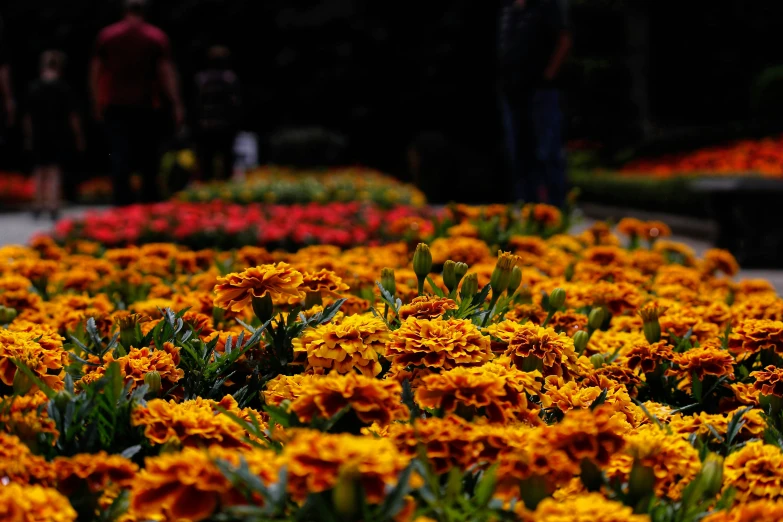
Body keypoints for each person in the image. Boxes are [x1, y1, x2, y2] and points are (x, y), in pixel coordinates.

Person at [90, 0, 184, 206]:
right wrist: (176, 104)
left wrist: (97, 102)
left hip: (115, 104)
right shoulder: (155, 37)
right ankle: (148, 201)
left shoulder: (108, 36)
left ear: (124, 11)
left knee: (119, 154)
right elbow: (165, 72)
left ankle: (122, 201)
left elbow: (96, 71)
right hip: (146, 105)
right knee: (148, 157)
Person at [498, 0, 571, 207]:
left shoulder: (547, 5)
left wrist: (548, 76)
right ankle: (527, 206)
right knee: (520, 153)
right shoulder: (509, 9)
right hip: (513, 91)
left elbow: (564, 39)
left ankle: (557, 207)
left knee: (547, 151)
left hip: (541, 91)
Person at [23, 51, 85, 220]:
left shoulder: (34, 87)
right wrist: (78, 137)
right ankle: (52, 204)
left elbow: (27, 116)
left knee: (39, 170)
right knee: (54, 171)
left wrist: (28, 136)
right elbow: (73, 116)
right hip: (58, 134)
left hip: (38, 133)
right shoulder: (63, 88)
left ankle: (38, 203)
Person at [193, 45, 241, 182]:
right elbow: (235, 104)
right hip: (225, 127)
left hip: (207, 126)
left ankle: (207, 194)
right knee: (226, 162)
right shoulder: (230, 79)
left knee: (206, 163)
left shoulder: (201, 79)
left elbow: (196, 105)